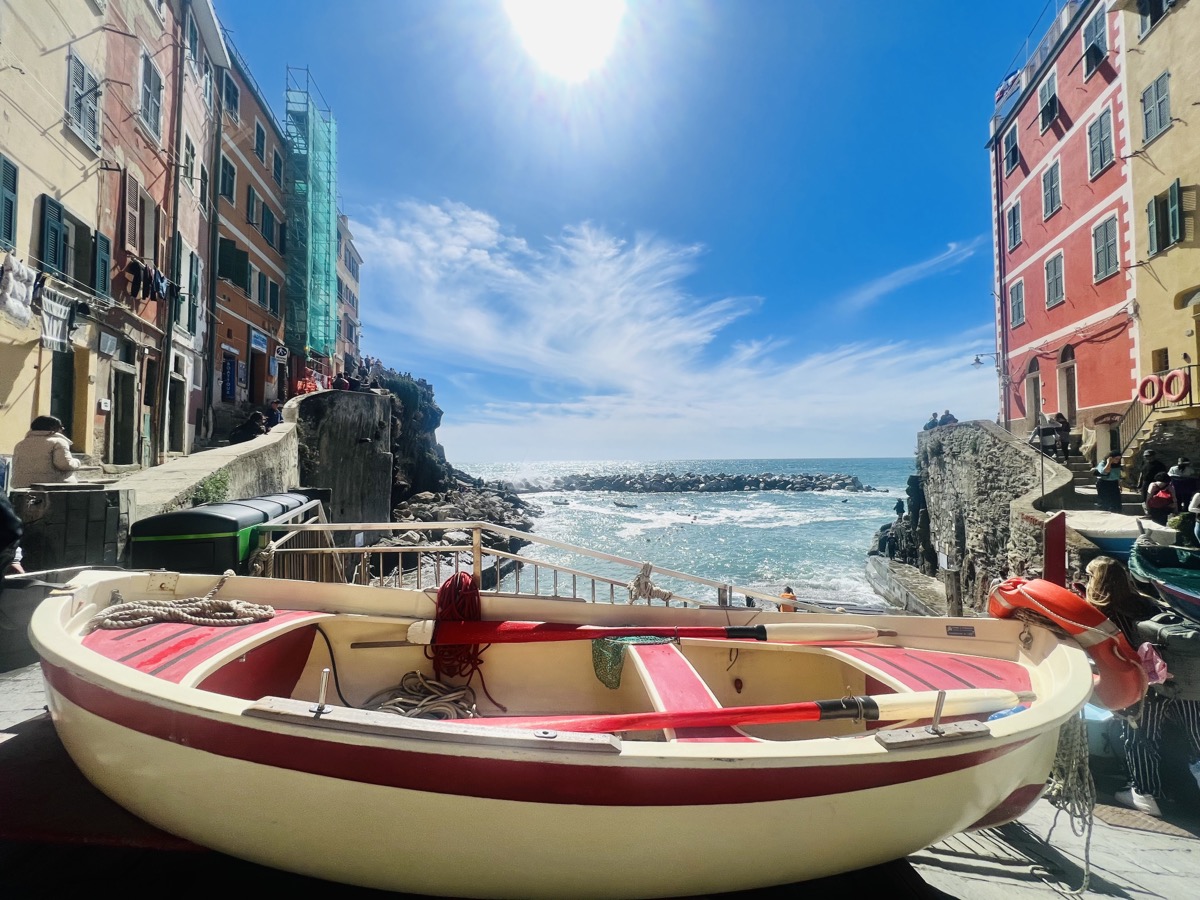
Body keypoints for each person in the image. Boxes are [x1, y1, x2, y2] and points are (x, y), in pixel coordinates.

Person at [1085, 557, 1200, 818]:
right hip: (1180, 679)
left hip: (1147, 686)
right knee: (1195, 733)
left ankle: (1146, 793)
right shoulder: (1148, 604)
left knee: (1139, 736)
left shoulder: (1102, 614)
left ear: (1097, 581)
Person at [9, 415, 80, 488]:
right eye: (61, 427)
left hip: (21, 486)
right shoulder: (58, 442)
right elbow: (64, 464)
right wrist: (77, 462)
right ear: (55, 428)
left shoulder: (21, 444)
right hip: (51, 486)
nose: (62, 430)